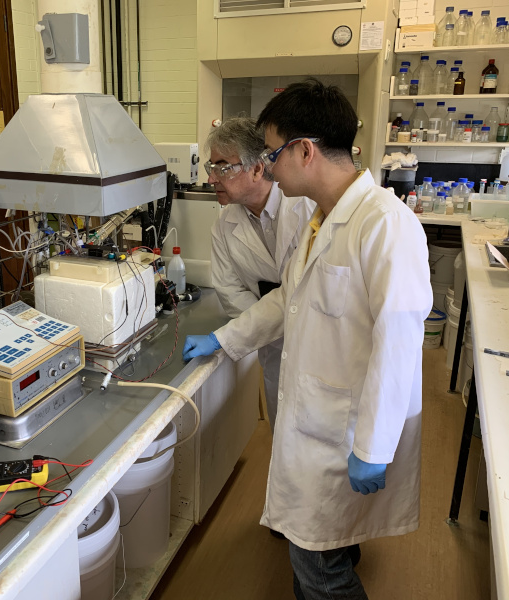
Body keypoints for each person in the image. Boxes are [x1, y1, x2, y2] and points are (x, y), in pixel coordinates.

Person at [182, 79, 432, 600]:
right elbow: (285, 300)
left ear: (304, 150)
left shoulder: (386, 224)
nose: (266, 167)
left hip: (345, 428)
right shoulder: (323, 220)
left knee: (320, 575)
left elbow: (400, 341)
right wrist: (225, 339)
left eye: (271, 153)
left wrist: (374, 445)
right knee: (317, 548)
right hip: (315, 416)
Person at [205, 117, 315, 433]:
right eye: (211, 168)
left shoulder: (307, 208)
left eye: (222, 167)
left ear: (257, 168)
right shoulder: (224, 226)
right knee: (284, 437)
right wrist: (270, 327)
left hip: (320, 344)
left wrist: (285, 320)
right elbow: (229, 290)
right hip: (273, 346)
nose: (212, 178)